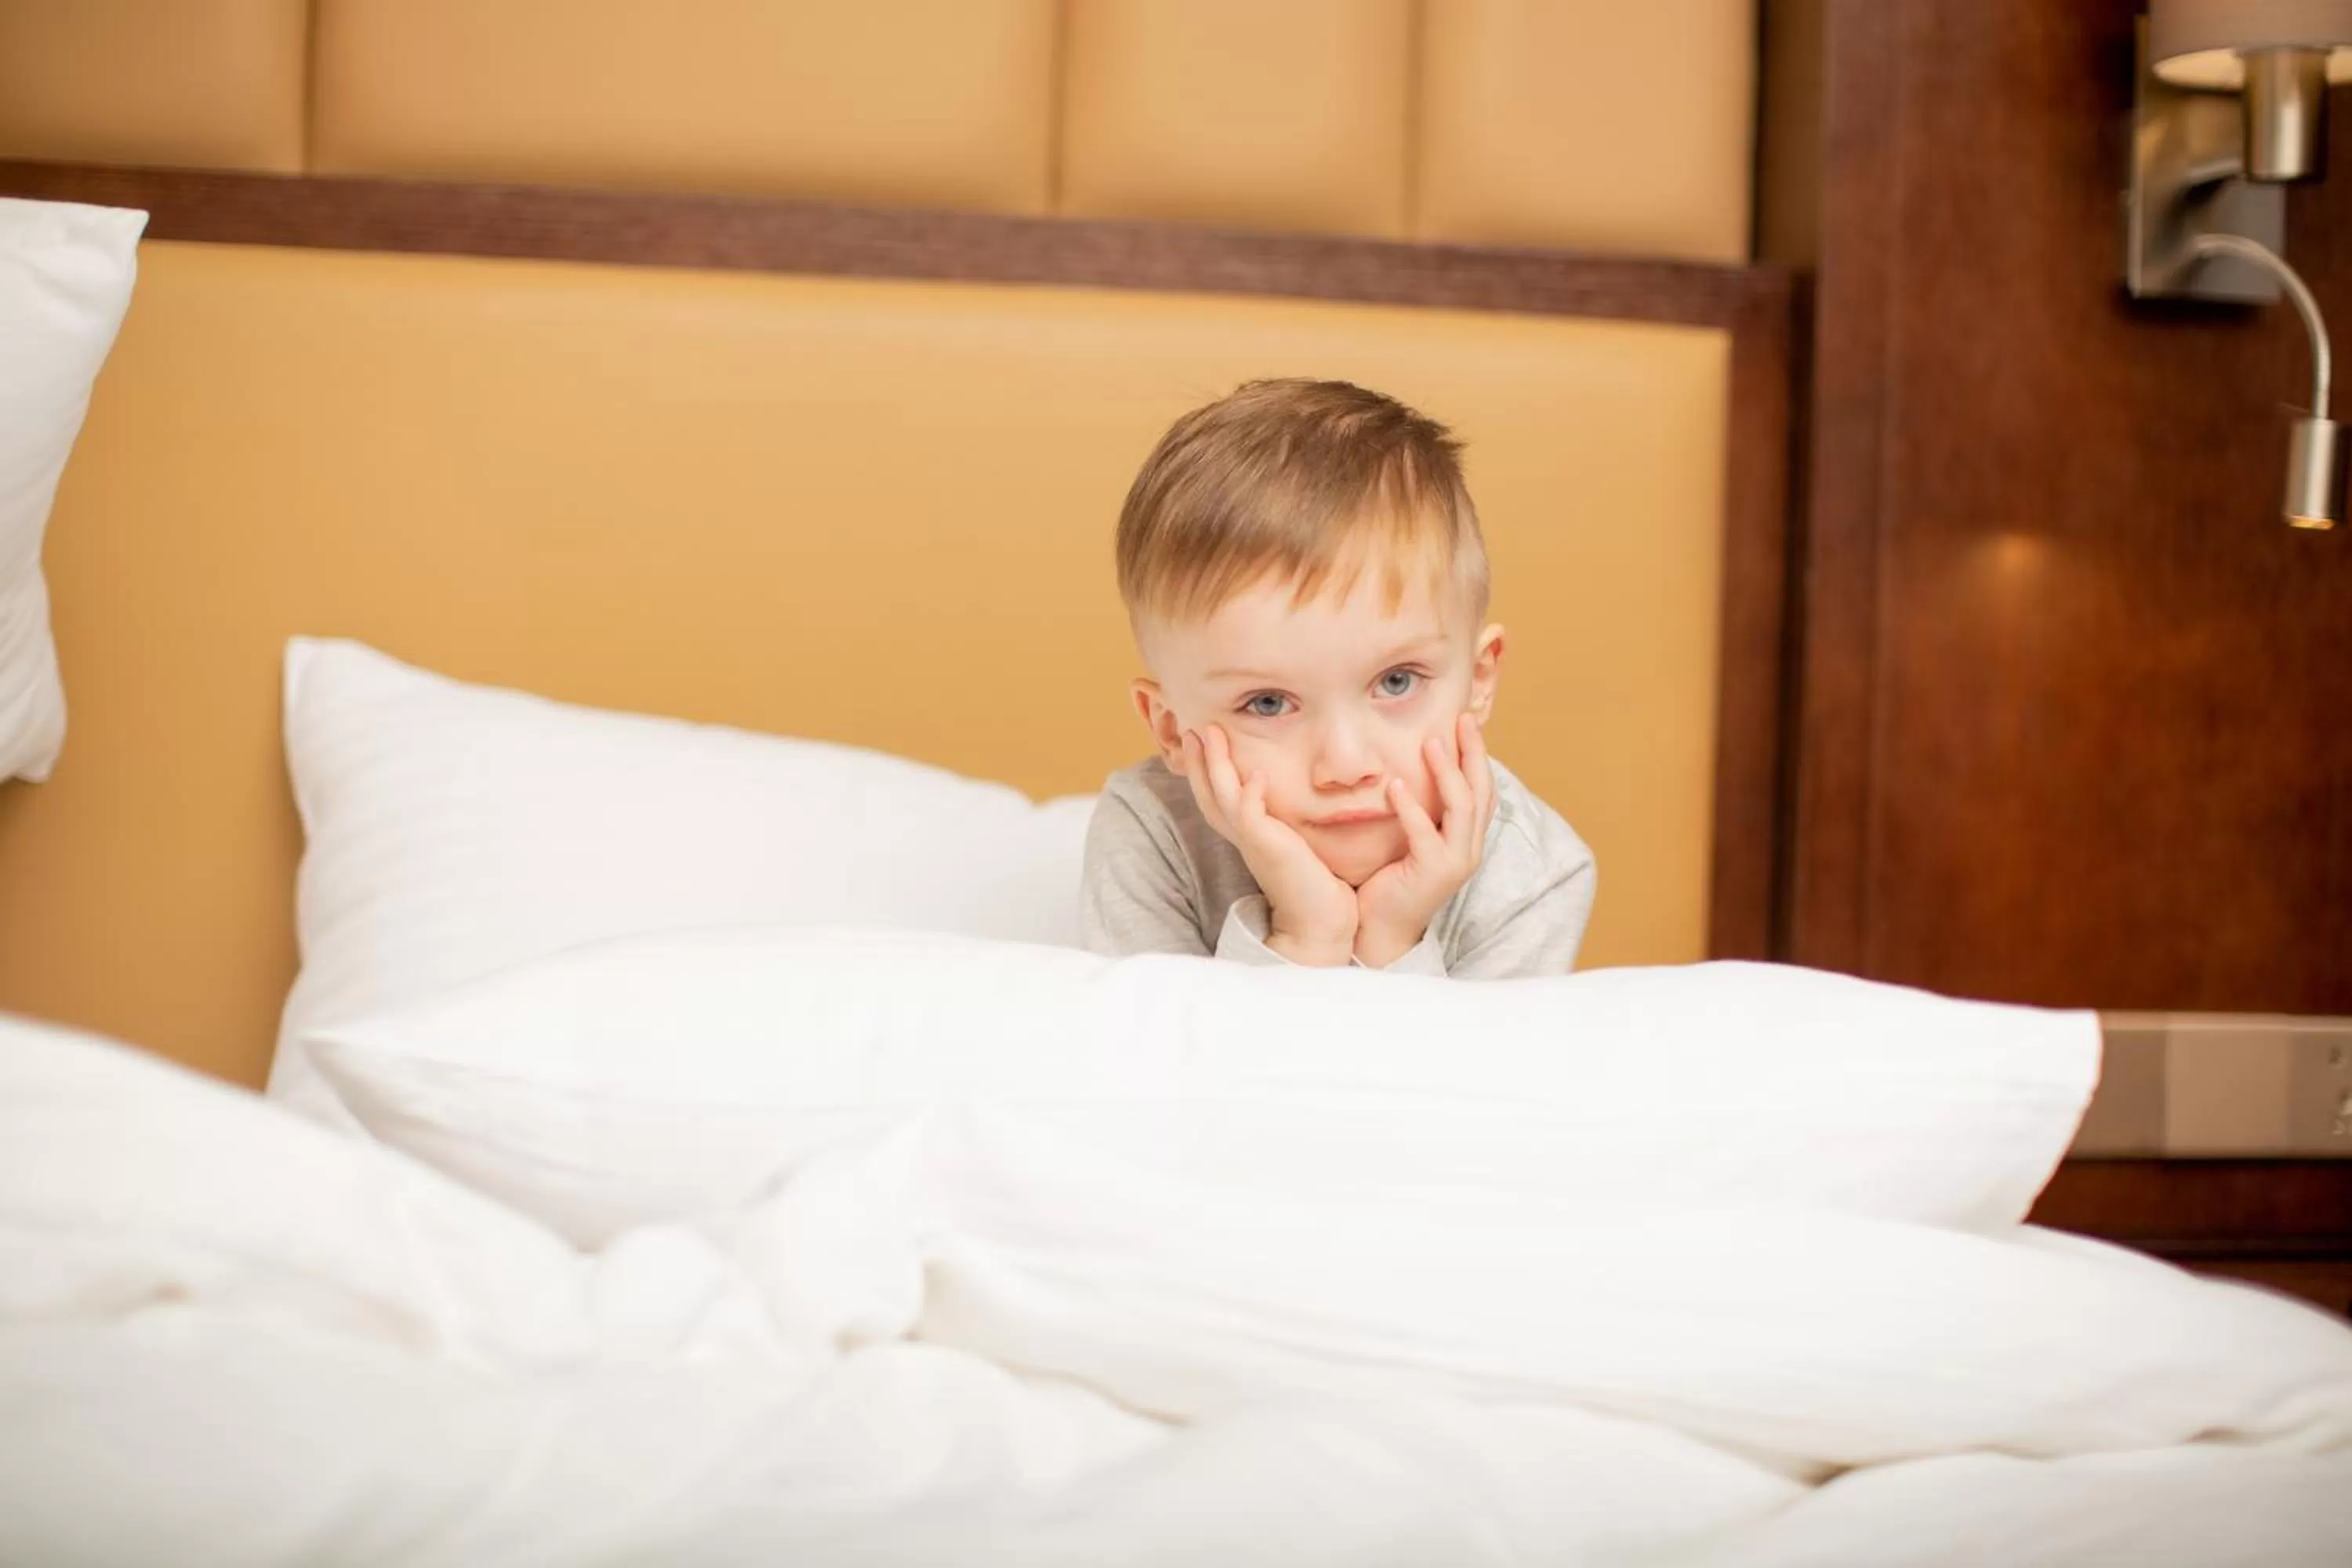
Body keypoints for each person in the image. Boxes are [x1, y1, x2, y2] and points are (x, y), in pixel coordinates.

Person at [1080, 378, 1595, 976]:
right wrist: (1306, 936)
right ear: (1171, 732)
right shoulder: (1151, 833)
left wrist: (1392, 942)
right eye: (1269, 703)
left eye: (1397, 682)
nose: (1347, 767)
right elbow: (1176, 1064)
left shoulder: (1534, 872)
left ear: (1478, 679)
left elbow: (1457, 1073)